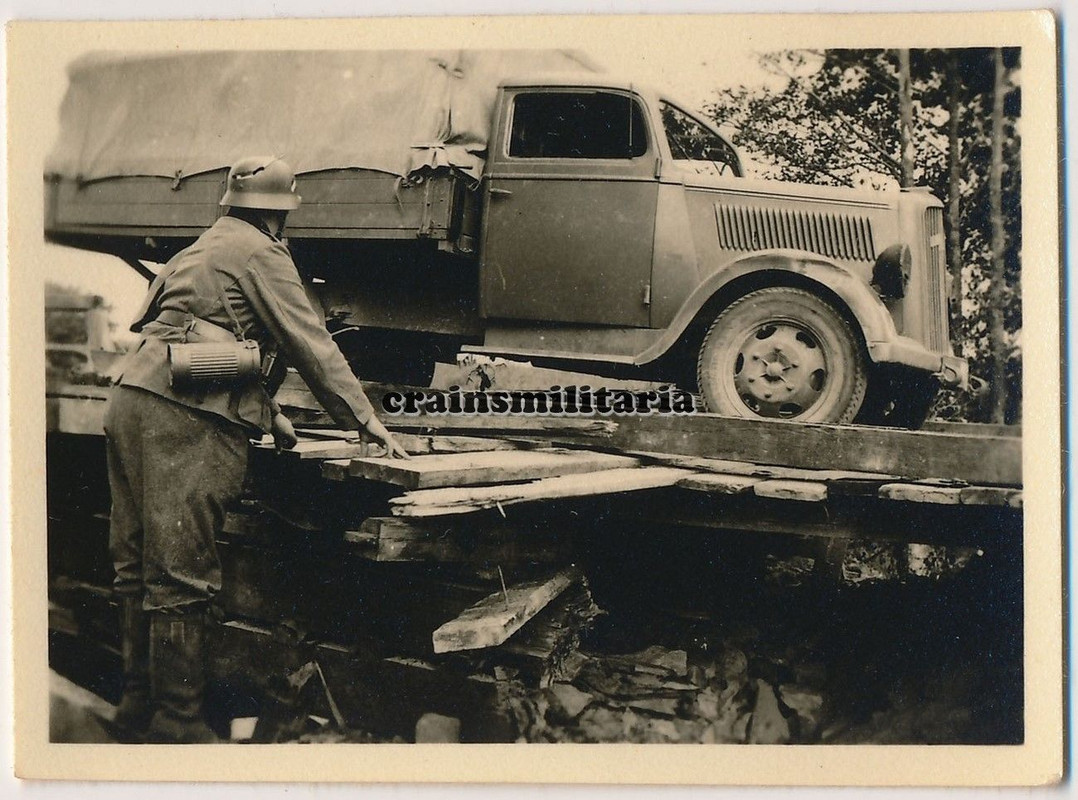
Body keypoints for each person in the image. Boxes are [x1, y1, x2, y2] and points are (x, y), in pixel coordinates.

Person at [103, 155, 408, 743]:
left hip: (131, 399)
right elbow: (309, 344)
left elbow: (192, 335)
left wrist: (267, 414)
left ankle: (136, 706)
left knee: (134, 564)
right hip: (182, 417)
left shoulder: (200, 247)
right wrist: (366, 420)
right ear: (279, 215)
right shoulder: (263, 252)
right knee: (179, 573)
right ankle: (177, 721)